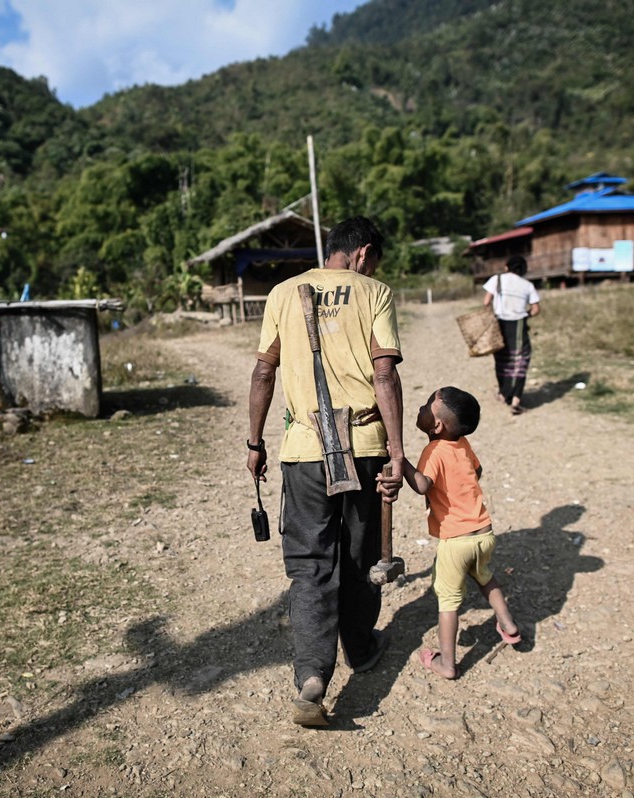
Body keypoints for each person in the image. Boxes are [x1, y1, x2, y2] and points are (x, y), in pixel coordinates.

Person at [246, 216, 405, 727]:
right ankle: (359, 649)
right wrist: (398, 452)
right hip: (362, 444)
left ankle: (312, 677)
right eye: (373, 259)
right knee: (359, 555)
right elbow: (384, 372)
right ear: (362, 253)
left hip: (303, 449)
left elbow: (263, 372)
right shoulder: (374, 292)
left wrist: (254, 443)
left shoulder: (282, 293)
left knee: (311, 562)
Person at [401, 386, 520, 680]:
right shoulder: (462, 444)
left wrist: (399, 459)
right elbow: (475, 473)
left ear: (437, 425)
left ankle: (448, 664)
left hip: (456, 542)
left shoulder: (433, 450)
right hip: (484, 533)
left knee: (448, 602)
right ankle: (508, 625)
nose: (421, 407)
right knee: (484, 576)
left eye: (426, 405)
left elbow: (421, 485)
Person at [483, 255, 541, 415]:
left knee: (502, 361)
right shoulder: (527, 285)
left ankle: (503, 394)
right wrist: (526, 315)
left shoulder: (497, 279)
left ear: (507, 266)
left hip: (500, 325)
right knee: (520, 362)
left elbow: (486, 302)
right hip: (519, 326)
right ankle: (516, 400)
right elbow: (536, 309)